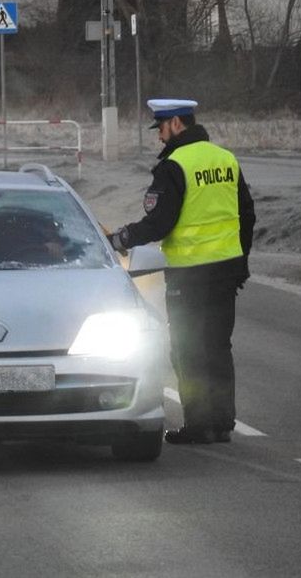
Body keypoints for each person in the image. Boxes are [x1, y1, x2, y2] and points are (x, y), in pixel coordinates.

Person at [107, 99, 255, 446]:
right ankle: (222, 423)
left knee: (188, 349)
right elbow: (247, 216)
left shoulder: (174, 166)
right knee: (218, 346)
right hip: (225, 270)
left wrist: (120, 238)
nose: (159, 136)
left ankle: (198, 424)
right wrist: (241, 262)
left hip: (189, 274)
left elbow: (159, 223)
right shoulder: (225, 159)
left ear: (175, 123)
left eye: (160, 127)